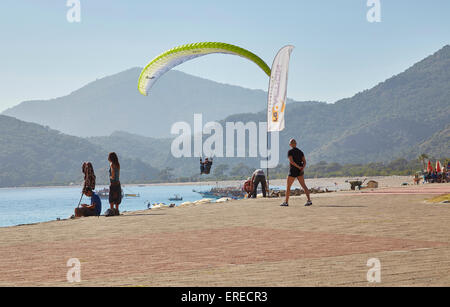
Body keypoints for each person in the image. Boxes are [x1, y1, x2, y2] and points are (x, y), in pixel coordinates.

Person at [280, 139, 312, 207]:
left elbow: (291, 161)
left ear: (291, 144)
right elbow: (305, 162)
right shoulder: (300, 152)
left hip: (293, 171)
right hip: (300, 171)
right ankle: (309, 200)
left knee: (288, 187)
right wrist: (301, 168)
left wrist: (297, 167)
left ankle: (286, 202)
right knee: (304, 186)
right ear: (296, 144)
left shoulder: (290, 151)